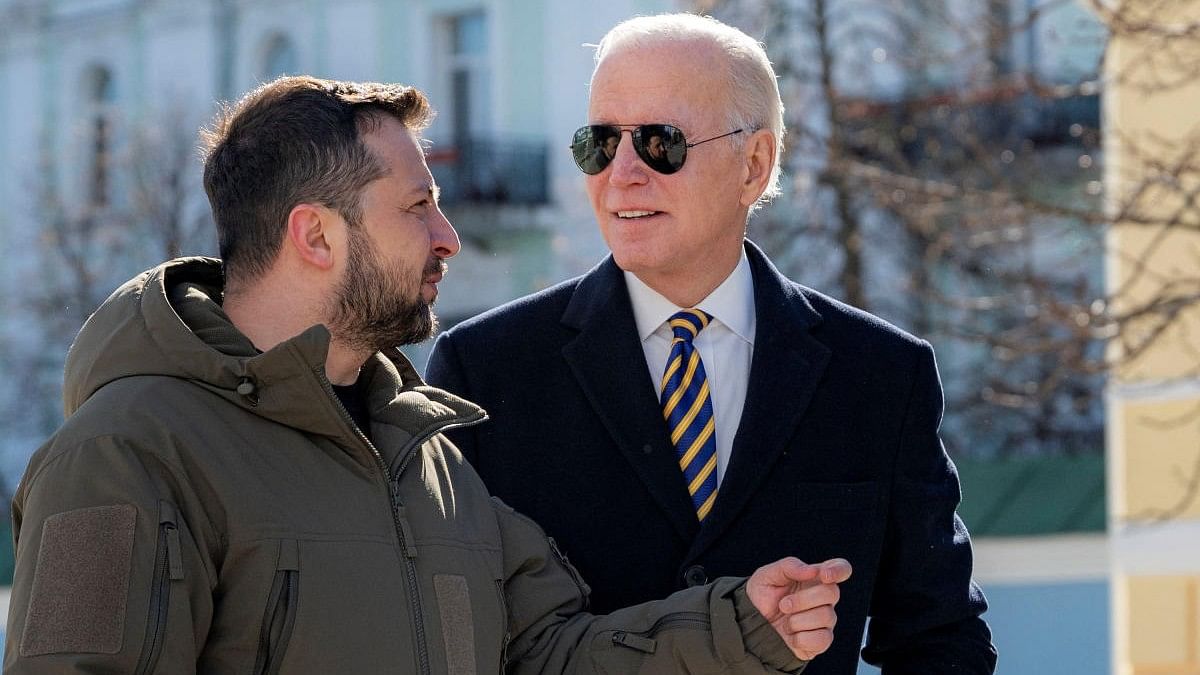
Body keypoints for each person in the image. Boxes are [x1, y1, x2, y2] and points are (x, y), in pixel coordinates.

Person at [4, 75, 852, 674]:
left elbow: (544, 656)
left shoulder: (429, 460)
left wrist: (742, 626)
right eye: (416, 206)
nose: (447, 235)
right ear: (317, 234)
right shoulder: (123, 454)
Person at [426, 13, 997, 675]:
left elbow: (940, 638)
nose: (624, 173)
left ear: (753, 164)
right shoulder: (484, 369)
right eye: (600, 143)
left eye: (661, 143)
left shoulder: (880, 374)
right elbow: (463, 641)